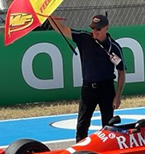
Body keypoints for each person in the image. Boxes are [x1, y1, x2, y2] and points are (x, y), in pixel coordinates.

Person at [48, 14, 126, 143]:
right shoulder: (84, 38)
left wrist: (118, 96)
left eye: (98, 29)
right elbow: (63, 30)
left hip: (106, 89)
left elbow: (121, 71)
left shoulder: (114, 47)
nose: (95, 32)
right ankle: (79, 151)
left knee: (108, 126)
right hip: (88, 88)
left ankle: (107, 151)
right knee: (82, 124)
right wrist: (50, 17)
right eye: (93, 28)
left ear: (106, 28)